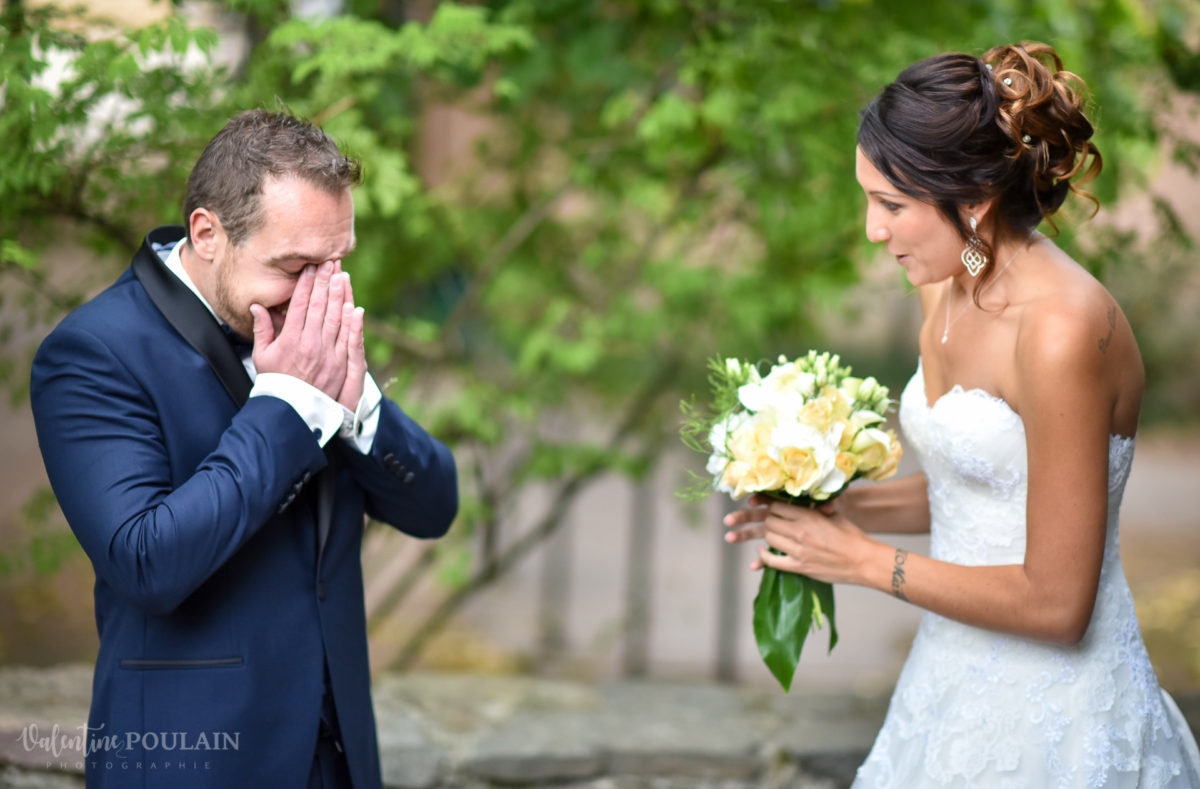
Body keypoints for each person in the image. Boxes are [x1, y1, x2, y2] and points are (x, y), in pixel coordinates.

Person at [723, 43, 1200, 786]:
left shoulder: (1062, 331)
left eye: (891, 205)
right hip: (947, 679)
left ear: (973, 199)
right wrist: (833, 511)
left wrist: (863, 562)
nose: (872, 230)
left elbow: (1057, 602)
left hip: (1056, 712)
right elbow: (977, 487)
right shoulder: (948, 282)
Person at [30, 110, 458, 789]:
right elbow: (147, 561)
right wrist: (288, 408)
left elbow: (436, 506)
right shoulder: (93, 353)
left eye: (335, 262)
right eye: (295, 264)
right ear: (208, 233)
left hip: (341, 758)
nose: (320, 288)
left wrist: (359, 411)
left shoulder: (306, 324)